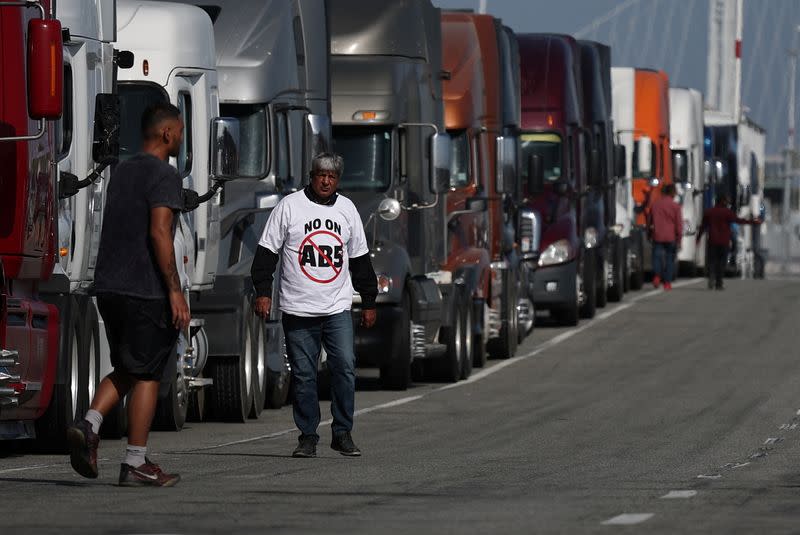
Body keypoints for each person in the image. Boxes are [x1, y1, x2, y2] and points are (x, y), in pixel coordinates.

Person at [66, 102, 189, 487]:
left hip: (110, 287)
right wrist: (175, 291)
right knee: (149, 373)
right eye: (181, 131)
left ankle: (89, 424)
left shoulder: (122, 171)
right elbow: (159, 232)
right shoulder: (164, 174)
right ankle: (136, 462)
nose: (181, 139)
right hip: (145, 290)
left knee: (127, 368)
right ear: (167, 133)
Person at [251, 152, 378, 458]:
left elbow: (360, 260)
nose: (325, 180)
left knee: (345, 368)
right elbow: (266, 253)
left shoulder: (347, 210)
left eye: (331, 177)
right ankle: (308, 436)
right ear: (311, 175)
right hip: (297, 308)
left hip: (336, 308)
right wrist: (263, 292)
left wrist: (369, 300)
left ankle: (342, 432)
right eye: (320, 174)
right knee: (305, 375)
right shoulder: (290, 207)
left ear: (338, 180)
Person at [696, 193, 761, 290]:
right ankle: (719, 283)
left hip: (712, 241)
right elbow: (739, 221)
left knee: (712, 262)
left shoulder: (709, 212)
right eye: (726, 201)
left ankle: (711, 278)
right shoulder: (727, 213)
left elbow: (703, 227)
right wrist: (753, 222)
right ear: (723, 201)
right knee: (722, 263)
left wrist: (698, 238)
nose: (728, 203)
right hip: (724, 241)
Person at [648, 183, 682, 290]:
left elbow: (649, 221)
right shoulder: (675, 206)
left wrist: (648, 234)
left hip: (657, 235)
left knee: (656, 257)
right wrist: (679, 238)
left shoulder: (655, 204)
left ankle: (657, 276)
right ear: (673, 193)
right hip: (671, 237)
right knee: (669, 260)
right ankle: (667, 282)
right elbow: (678, 224)